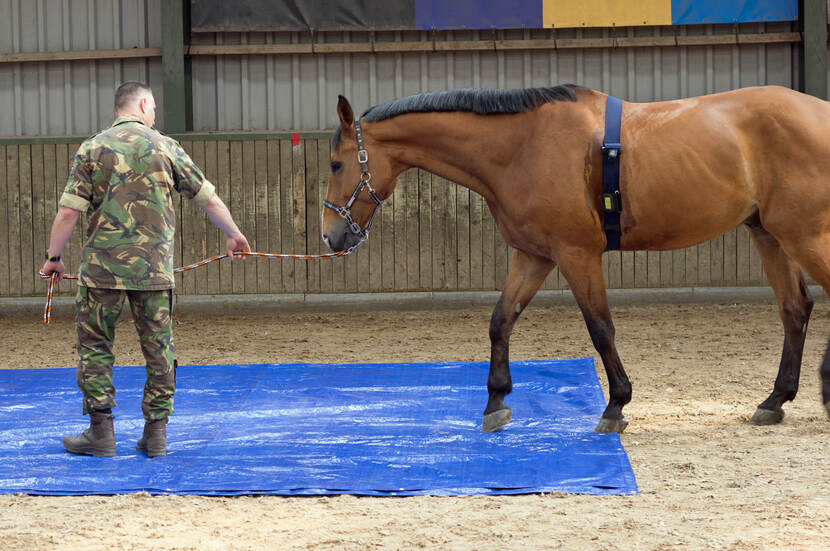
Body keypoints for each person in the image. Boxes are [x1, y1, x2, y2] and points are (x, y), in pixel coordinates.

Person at [40, 81, 250, 458]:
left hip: (101, 271)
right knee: (159, 349)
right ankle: (156, 435)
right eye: (152, 108)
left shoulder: (92, 147)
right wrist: (234, 235)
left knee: (95, 347)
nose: (154, 115)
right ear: (141, 104)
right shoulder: (166, 146)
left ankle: (101, 433)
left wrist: (54, 257)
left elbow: (69, 211)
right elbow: (208, 198)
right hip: (153, 272)